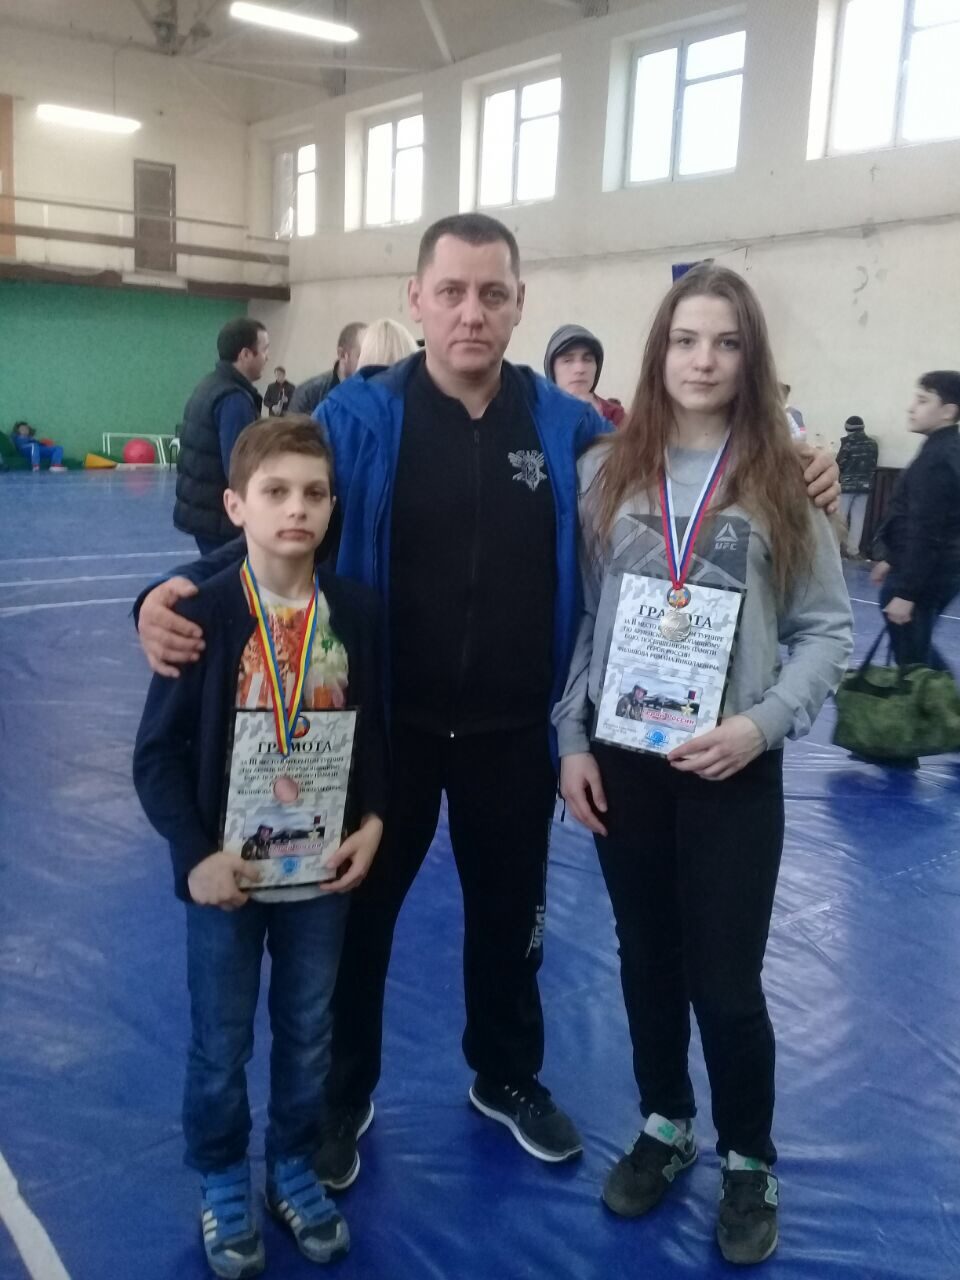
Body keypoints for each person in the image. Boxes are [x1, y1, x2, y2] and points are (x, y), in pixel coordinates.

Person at [134, 215, 840, 1192]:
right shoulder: (360, 418)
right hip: (388, 732)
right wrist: (167, 593)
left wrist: (802, 458)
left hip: (514, 734)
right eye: (452, 292)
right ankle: (343, 1093)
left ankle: (506, 1074)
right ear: (417, 300)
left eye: (493, 294)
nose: (472, 312)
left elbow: (683, 464)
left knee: (512, 920)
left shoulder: (566, 427)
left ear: (518, 305)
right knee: (360, 920)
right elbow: (277, 515)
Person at [554, 265, 851, 1266]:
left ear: (749, 357)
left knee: (725, 981)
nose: (704, 360)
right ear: (660, 351)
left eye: (726, 342)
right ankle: (666, 1119)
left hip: (732, 767)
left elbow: (825, 630)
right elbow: (586, 621)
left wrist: (760, 727)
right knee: (646, 960)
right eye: (686, 340)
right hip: (625, 761)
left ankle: (750, 1156)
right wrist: (571, 740)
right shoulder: (606, 471)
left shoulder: (785, 479)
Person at [134, 417, 387, 1279]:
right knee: (221, 1041)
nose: (297, 509)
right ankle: (220, 1174)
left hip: (319, 876)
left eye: (314, 493)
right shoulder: (202, 617)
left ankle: (291, 1164)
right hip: (227, 879)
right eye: (275, 492)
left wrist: (374, 819)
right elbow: (156, 758)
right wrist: (194, 856)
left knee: (310, 1033)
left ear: (333, 507)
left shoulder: (357, 614)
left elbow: (377, 735)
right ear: (236, 505)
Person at [871, 371, 960, 670]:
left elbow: (926, 529)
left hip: (926, 575)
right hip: (933, 569)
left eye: (922, 401)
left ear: (948, 411)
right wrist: (892, 557)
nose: (911, 408)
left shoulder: (937, 460)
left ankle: (941, 698)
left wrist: (906, 593)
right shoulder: (943, 449)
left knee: (914, 663)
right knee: (915, 652)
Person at [174, 318, 270, 555]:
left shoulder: (209, 385)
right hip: (222, 520)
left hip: (206, 512)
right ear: (245, 354)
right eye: (264, 350)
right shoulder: (233, 400)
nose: (267, 357)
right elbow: (239, 468)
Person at [545, 325, 626, 426]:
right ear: (552, 369)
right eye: (567, 360)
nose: (580, 369)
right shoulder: (536, 418)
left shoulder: (617, 416)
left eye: (587, 359)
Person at [288, 322, 367, 417]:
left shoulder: (371, 396)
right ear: (342, 355)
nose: (369, 363)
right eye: (363, 356)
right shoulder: (307, 393)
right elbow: (291, 425)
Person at [836, 415, 878, 558]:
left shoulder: (847, 443)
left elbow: (839, 463)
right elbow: (873, 465)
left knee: (840, 518)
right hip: (864, 486)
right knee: (858, 518)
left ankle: (837, 548)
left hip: (847, 486)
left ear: (848, 429)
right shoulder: (873, 444)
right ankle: (853, 550)